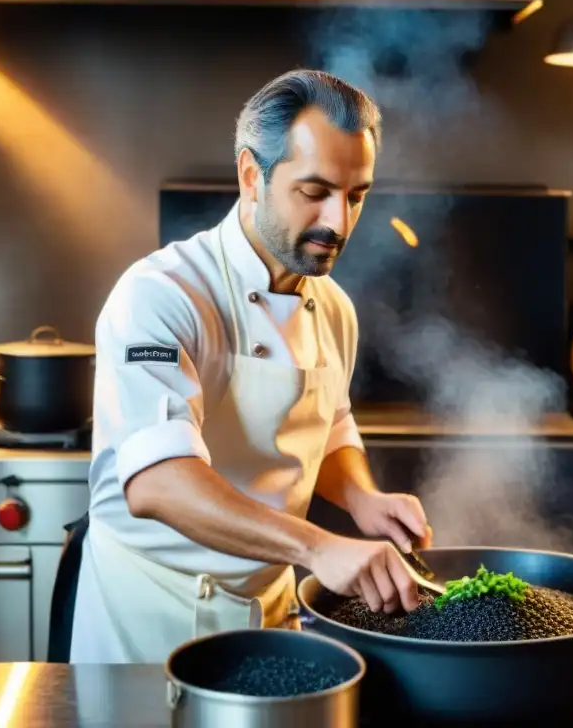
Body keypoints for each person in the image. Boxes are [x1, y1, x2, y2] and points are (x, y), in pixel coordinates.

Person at [56, 69, 433, 665]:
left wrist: (362, 497)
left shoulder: (333, 307)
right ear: (251, 175)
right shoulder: (163, 294)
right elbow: (157, 482)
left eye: (356, 196)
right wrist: (317, 548)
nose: (338, 222)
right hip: (147, 624)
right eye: (314, 192)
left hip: (270, 614)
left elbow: (329, 424)